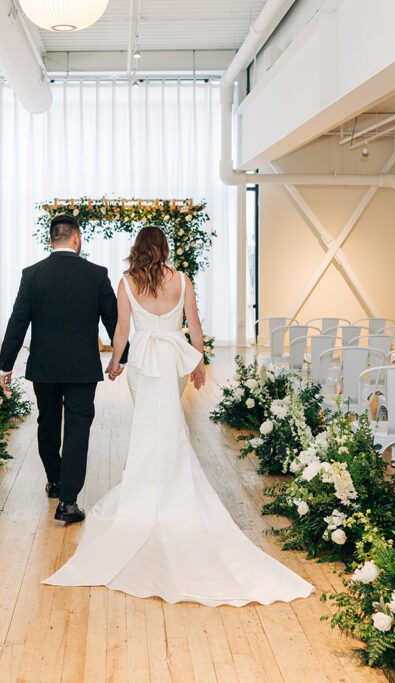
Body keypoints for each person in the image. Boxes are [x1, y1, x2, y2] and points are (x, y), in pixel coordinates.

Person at [43, 226, 314, 606]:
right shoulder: (182, 280)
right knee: (170, 424)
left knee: (148, 425)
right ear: (165, 249)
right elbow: (195, 327)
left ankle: (148, 488)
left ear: (137, 249)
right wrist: (198, 362)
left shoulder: (126, 282)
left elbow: (122, 330)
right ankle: (171, 485)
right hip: (173, 359)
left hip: (141, 362)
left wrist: (116, 363)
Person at [0, 214, 127, 525]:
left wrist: (5, 364)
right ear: (77, 238)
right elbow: (113, 320)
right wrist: (119, 359)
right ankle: (68, 502)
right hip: (82, 367)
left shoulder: (32, 275)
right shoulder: (97, 274)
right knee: (78, 429)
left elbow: (18, 322)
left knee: (48, 424)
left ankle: (55, 482)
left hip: (44, 366)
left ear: (51, 240)